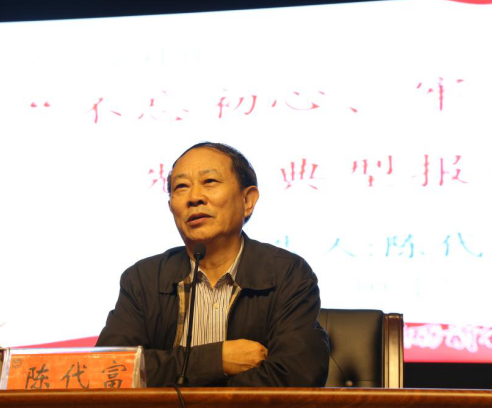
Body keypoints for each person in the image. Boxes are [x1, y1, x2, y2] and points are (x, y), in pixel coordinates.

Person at [97, 143, 330, 387]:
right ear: (171, 207)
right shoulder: (143, 279)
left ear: (247, 200)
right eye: (181, 187)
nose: (194, 198)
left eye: (209, 181)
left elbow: (296, 374)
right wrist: (215, 360)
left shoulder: (287, 274)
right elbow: (110, 370)